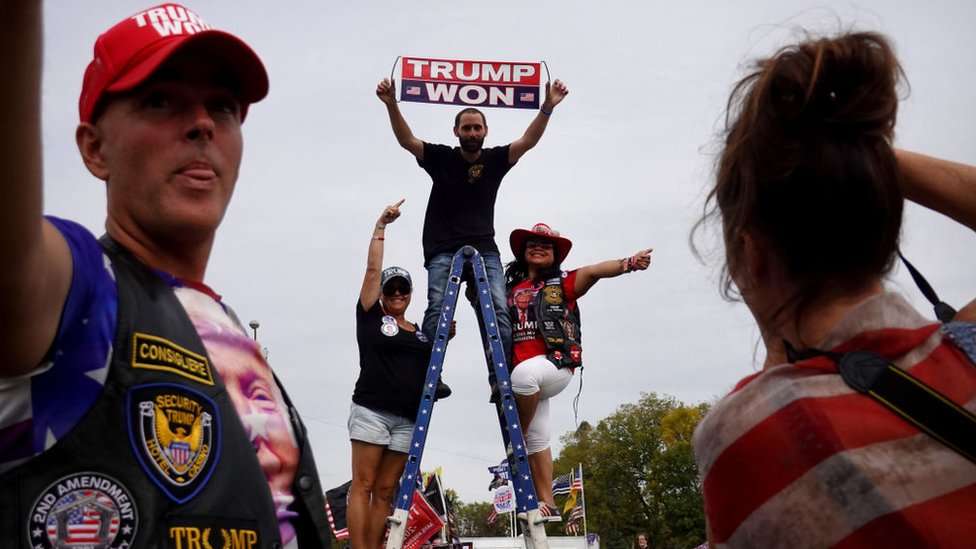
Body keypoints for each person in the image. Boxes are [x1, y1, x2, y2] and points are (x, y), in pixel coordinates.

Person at [0, 3, 329, 547]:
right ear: (94, 148)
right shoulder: (79, 287)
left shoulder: (231, 335)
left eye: (223, 107)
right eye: (160, 100)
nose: (201, 123)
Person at [691, 31, 976, 547]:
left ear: (750, 255)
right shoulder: (966, 353)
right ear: (883, 221)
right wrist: (864, 156)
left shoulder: (741, 435)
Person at [375, 76, 570, 365]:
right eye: (466, 127)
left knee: (498, 310)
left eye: (477, 127)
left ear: (485, 131)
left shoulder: (494, 160)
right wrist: (391, 103)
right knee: (438, 309)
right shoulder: (442, 157)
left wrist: (548, 106)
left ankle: (500, 379)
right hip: (442, 247)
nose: (472, 132)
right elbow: (407, 141)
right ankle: (428, 373)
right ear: (456, 131)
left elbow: (528, 141)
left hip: (484, 247)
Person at [505, 222, 652, 518]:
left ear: (555, 255)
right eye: (532, 243)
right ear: (522, 252)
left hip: (555, 365)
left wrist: (628, 264)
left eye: (546, 245)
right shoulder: (508, 290)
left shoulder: (564, 282)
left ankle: (513, 444)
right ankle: (547, 504)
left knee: (523, 378)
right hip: (526, 379)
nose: (538, 247)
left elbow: (595, 271)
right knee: (539, 438)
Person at [348, 200, 435, 549]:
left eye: (404, 289)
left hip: (407, 419)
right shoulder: (370, 314)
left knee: (386, 492)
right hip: (372, 411)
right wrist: (380, 227)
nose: (397, 294)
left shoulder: (420, 332)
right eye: (391, 289)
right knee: (364, 485)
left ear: (411, 294)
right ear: (381, 293)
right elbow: (372, 271)